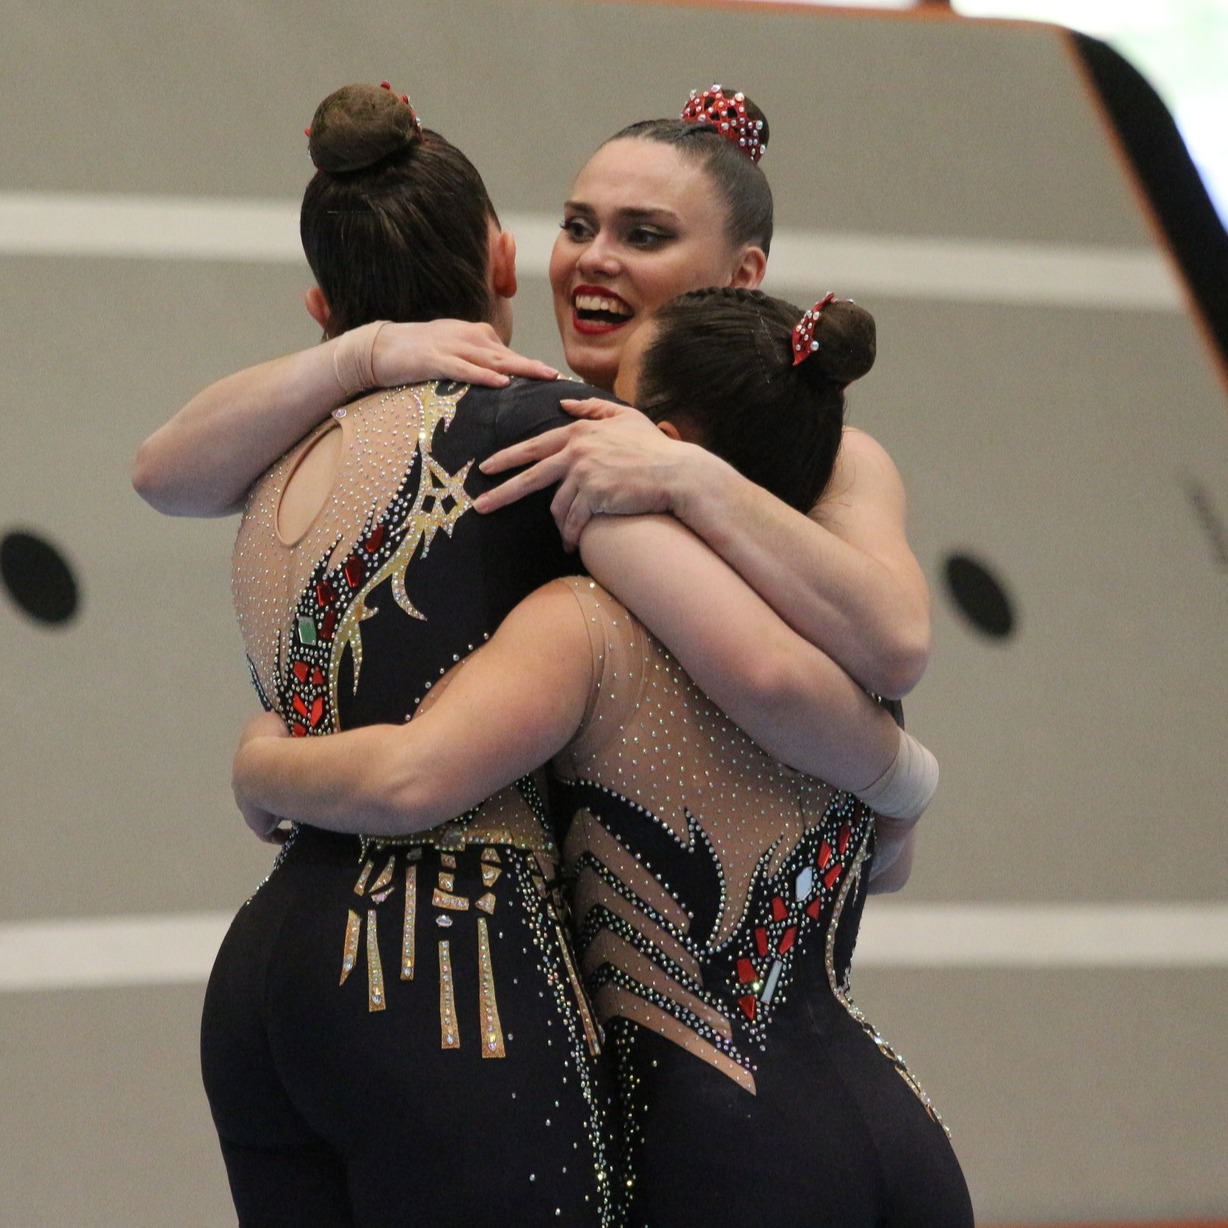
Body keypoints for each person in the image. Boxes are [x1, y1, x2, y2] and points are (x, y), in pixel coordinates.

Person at [232, 288, 972, 1227]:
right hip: (886, 1115)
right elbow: (889, 863)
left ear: (649, 437)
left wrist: (259, 764)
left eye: (602, 396)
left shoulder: (591, 629)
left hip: (725, 1154)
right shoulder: (849, 666)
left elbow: (407, 777)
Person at [132, 84, 930, 714]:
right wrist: (357, 354)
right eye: (578, 227)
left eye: (644, 235)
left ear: (744, 273)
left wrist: (692, 477)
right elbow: (164, 476)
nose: (594, 259)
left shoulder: (839, 458)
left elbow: (894, 646)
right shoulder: (534, 419)